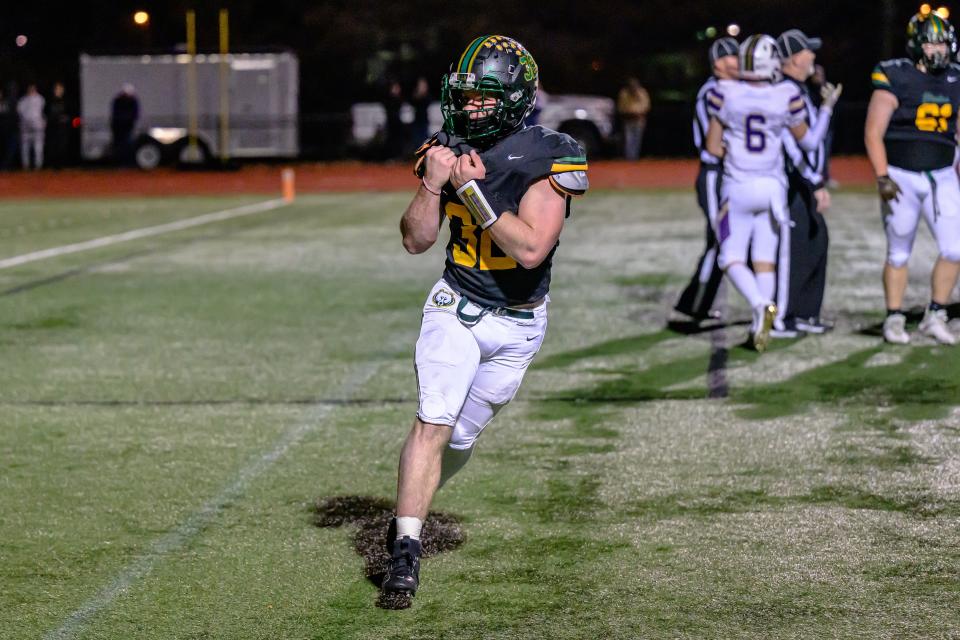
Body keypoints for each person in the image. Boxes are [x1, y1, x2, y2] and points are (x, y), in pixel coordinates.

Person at [383, 34, 588, 597]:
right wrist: (430, 185)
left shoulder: (550, 152)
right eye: (465, 95)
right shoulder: (444, 146)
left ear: (517, 96)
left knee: (462, 438)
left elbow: (529, 249)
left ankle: (411, 511)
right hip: (457, 305)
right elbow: (414, 240)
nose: (469, 106)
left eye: (483, 96)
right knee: (434, 421)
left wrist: (471, 190)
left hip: (520, 322)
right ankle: (405, 547)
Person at [705, 34, 837, 351]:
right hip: (773, 190)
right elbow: (808, 142)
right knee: (766, 259)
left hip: (738, 188)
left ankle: (759, 305)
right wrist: (828, 109)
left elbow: (712, 147)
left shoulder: (725, 94)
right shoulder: (785, 95)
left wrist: (737, 154)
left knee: (729, 256)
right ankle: (759, 327)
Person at [866, 11, 960, 345]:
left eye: (943, 42)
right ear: (917, 44)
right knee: (899, 252)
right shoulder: (896, 75)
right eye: (933, 41)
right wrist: (881, 176)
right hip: (902, 175)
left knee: (955, 247)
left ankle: (936, 312)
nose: (940, 49)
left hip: (942, 175)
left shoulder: (955, 77)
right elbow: (873, 131)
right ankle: (894, 316)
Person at [774, 29, 841, 336]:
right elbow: (802, 145)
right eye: (808, 51)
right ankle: (782, 317)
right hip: (790, 182)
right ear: (793, 58)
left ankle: (805, 314)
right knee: (795, 249)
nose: (813, 56)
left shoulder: (798, 90)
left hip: (801, 179)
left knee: (817, 240)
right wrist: (814, 183)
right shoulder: (785, 92)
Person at [673, 37, 739, 324]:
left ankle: (698, 303)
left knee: (724, 239)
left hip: (728, 173)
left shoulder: (733, 89)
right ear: (718, 64)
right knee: (720, 239)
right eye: (731, 58)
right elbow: (714, 143)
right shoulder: (714, 91)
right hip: (715, 174)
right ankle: (693, 303)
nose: (737, 62)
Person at [617, 77, 650, 159]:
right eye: (631, 86)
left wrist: (640, 113)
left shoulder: (642, 93)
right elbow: (621, 107)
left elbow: (647, 106)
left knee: (637, 139)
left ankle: (635, 158)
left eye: (634, 86)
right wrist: (628, 114)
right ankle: (629, 158)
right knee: (628, 139)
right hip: (628, 119)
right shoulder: (624, 93)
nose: (633, 88)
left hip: (639, 120)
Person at [17, 84, 45, 170]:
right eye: (30, 89)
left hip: (37, 126)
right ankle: (26, 165)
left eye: (33, 89)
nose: (31, 91)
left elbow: (40, 111)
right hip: (26, 127)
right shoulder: (23, 100)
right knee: (25, 147)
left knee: (38, 147)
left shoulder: (39, 99)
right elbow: (20, 112)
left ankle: (38, 165)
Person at [110, 83, 139, 165]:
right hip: (118, 127)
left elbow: (135, 114)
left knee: (127, 144)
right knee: (119, 145)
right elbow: (115, 114)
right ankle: (119, 161)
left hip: (127, 127)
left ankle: (126, 162)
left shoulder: (132, 101)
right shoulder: (118, 101)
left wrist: (129, 121)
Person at [46, 82, 70, 169]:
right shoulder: (50, 101)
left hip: (62, 128)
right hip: (53, 128)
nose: (59, 91)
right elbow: (46, 114)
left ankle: (61, 165)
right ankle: (52, 165)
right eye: (57, 89)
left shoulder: (66, 101)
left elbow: (70, 115)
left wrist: (66, 119)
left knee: (62, 146)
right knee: (53, 147)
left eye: (60, 89)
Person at [410, 77, 431, 149]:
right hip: (416, 121)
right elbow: (414, 101)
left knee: (424, 139)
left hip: (424, 121)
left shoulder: (427, 96)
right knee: (416, 139)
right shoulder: (415, 96)